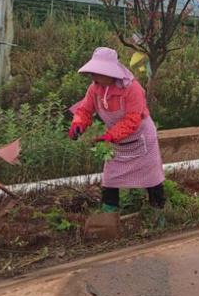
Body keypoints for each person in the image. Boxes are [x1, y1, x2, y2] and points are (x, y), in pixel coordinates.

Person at [68, 47, 165, 220]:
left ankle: (158, 213)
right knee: (110, 178)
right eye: (93, 72)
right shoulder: (94, 89)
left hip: (141, 138)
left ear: (110, 73)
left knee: (152, 177)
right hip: (116, 140)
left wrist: (110, 136)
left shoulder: (132, 89)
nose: (93, 76)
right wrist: (78, 125)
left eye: (98, 72)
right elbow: (84, 110)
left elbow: (132, 120)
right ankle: (109, 217)